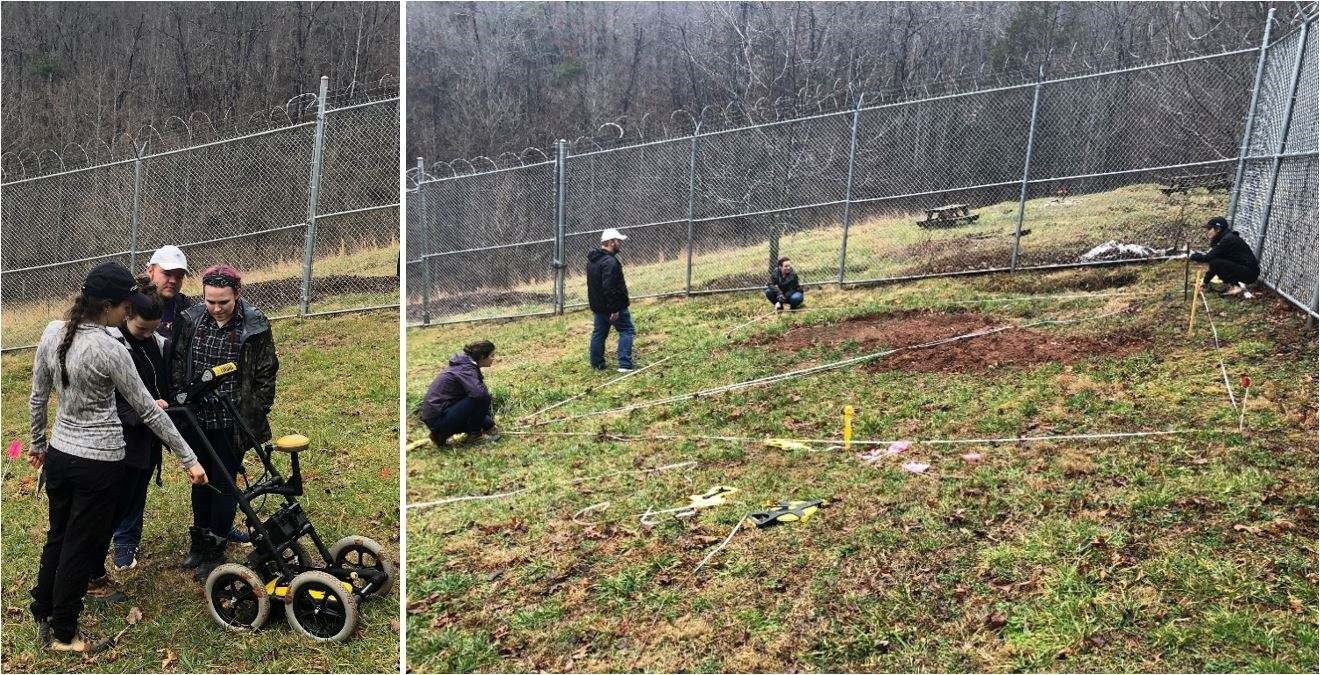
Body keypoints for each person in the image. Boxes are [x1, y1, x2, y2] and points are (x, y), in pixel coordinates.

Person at [28, 262, 207, 653]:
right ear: (108, 305)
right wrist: (189, 457)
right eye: (126, 306)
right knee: (80, 545)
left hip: (59, 455)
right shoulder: (110, 349)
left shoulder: (52, 333)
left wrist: (38, 445)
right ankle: (64, 633)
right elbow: (148, 410)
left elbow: (38, 395)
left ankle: (42, 607)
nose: (129, 312)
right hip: (99, 464)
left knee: (58, 536)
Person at [170, 264, 279, 581]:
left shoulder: (255, 325)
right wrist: (180, 400)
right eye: (211, 301)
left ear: (237, 295)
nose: (216, 308)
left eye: (224, 302)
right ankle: (200, 541)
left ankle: (216, 546)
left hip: (232, 420)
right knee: (201, 479)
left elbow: (265, 374)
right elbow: (178, 363)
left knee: (226, 482)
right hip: (197, 418)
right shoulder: (191, 321)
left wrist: (255, 411)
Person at [420, 340, 501, 447]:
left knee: (487, 422)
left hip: (438, 417)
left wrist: (490, 425)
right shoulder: (465, 369)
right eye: (492, 355)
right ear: (482, 357)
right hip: (439, 418)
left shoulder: (465, 365)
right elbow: (480, 395)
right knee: (483, 396)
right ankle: (475, 435)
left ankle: (440, 435)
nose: (494, 359)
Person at [586, 228, 635, 373]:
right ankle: (625, 364)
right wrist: (614, 308)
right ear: (611, 242)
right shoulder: (610, 262)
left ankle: (597, 364)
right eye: (618, 241)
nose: (620, 243)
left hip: (598, 307)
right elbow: (609, 287)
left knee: (599, 334)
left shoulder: (593, 261)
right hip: (612, 307)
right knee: (627, 330)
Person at [1189, 216, 1260, 297]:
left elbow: (1207, 258)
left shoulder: (1227, 240)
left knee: (1215, 262)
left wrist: (1191, 255)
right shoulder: (1224, 238)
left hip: (1249, 273)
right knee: (1216, 262)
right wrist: (1205, 282)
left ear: (1218, 229)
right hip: (1245, 270)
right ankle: (1233, 285)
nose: (1207, 232)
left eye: (1209, 229)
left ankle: (1235, 286)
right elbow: (1213, 262)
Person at [144, 245, 192, 341]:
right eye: (167, 274)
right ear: (150, 270)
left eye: (179, 277)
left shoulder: (186, 310)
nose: (173, 281)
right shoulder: (132, 305)